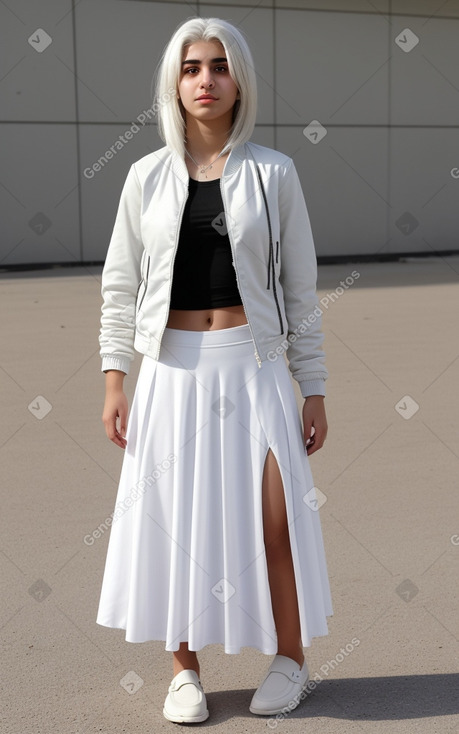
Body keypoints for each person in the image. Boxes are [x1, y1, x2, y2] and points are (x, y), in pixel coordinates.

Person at [96, 16, 333, 724]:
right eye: (193, 66)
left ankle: (290, 659)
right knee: (178, 526)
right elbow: (119, 283)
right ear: (175, 80)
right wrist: (116, 377)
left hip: (253, 369)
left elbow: (299, 290)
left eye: (220, 66)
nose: (206, 79)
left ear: (240, 82)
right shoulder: (144, 177)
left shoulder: (274, 172)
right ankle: (184, 669)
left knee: (275, 521)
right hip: (171, 370)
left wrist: (312, 386)